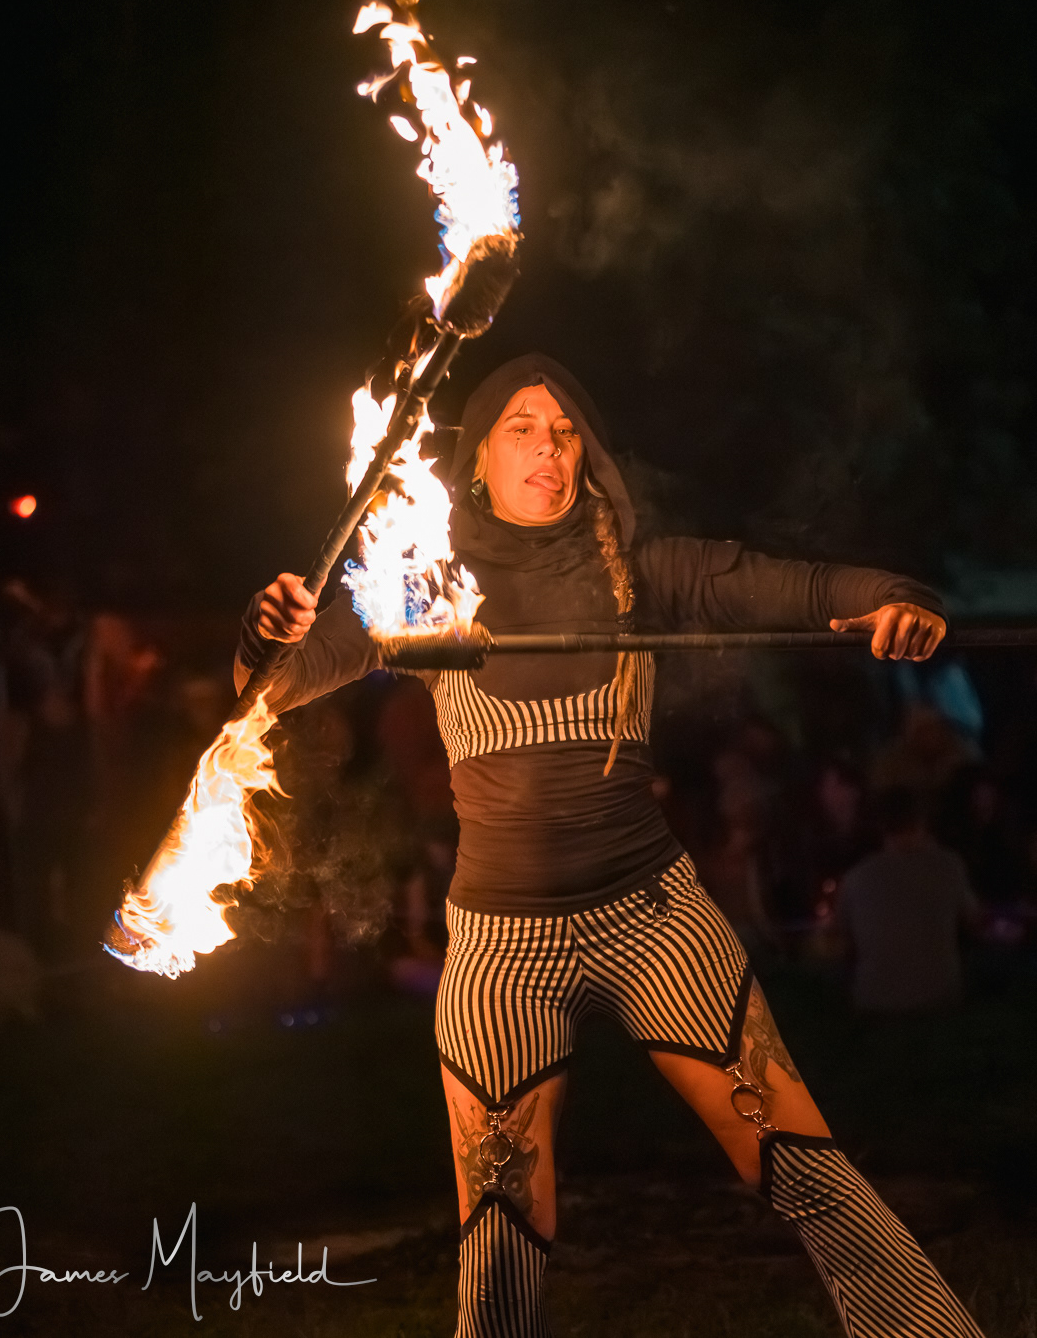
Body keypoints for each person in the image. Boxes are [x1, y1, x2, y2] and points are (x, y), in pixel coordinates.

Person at [236, 355, 982, 1337]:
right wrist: (267, 636)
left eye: (564, 430)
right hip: (501, 951)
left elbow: (801, 587)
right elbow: (277, 683)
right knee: (501, 1228)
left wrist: (897, 599)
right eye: (520, 428)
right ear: (475, 463)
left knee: (803, 1164)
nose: (547, 446)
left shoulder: (643, 571)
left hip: (653, 920)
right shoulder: (422, 586)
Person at [837, 786, 982, 1012]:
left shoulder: (856, 877)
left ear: (880, 826)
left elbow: (842, 938)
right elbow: (974, 922)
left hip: (875, 1000)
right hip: (941, 996)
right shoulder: (950, 865)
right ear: (922, 821)